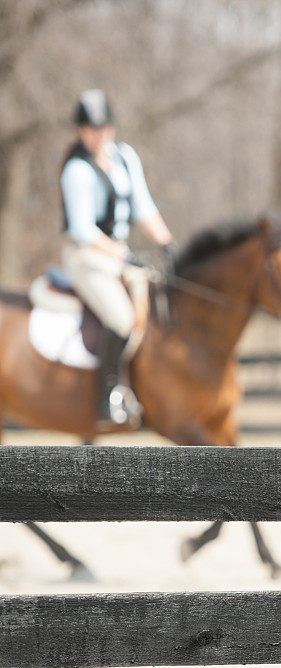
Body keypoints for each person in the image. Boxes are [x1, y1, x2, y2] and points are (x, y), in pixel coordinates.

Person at [60, 89, 178, 426]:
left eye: (104, 128)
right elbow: (83, 230)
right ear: (81, 131)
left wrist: (167, 243)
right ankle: (106, 398)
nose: (99, 136)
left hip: (118, 255)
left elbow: (143, 206)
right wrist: (125, 255)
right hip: (86, 256)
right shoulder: (76, 171)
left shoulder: (126, 157)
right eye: (92, 129)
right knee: (121, 317)